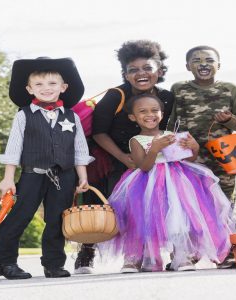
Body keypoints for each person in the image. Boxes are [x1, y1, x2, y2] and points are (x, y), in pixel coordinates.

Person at [100, 94, 236, 273]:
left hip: (177, 181)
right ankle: (139, 258)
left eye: (155, 110)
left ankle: (181, 256)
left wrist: (193, 147)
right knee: (142, 218)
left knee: (179, 217)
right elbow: (144, 166)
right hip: (147, 183)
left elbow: (189, 157)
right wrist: (155, 149)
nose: (150, 115)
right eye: (143, 111)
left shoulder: (171, 135)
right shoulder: (136, 140)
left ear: (162, 114)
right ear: (133, 117)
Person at [74, 40, 175, 274]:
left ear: (159, 71)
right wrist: (123, 157)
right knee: (110, 207)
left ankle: (160, 254)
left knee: (160, 205)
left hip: (153, 159)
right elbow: (99, 132)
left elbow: (168, 130)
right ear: (126, 75)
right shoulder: (115, 96)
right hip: (116, 158)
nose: (141, 73)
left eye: (147, 68)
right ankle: (87, 253)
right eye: (133, 70)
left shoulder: (167, 98)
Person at [0, 57, 92, 279]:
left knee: (57, 219)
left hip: (64, 176)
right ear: (29, 89)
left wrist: (81, 177)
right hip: (32, 175)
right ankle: (5, 261)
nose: (46, 89)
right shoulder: (24, 114)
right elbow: (14, 147)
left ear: (63, 87)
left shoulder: (71, 116)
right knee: (20, 216)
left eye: (52, 84)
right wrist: (8, 178)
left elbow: (79, 148)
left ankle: (53, 264)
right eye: (39, 85)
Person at [167, 45, 236, 269]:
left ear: (218, 65)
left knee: (226, 204)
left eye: (209, 60)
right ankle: (187, 253)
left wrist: (227, 119)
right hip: (188, 157)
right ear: (187, 66)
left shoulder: (231, 89)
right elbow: (171, 122)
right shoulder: (179, 89)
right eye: (197, 60)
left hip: (224, 157)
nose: (203, 64)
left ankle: (226, 253)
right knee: (189, 204)